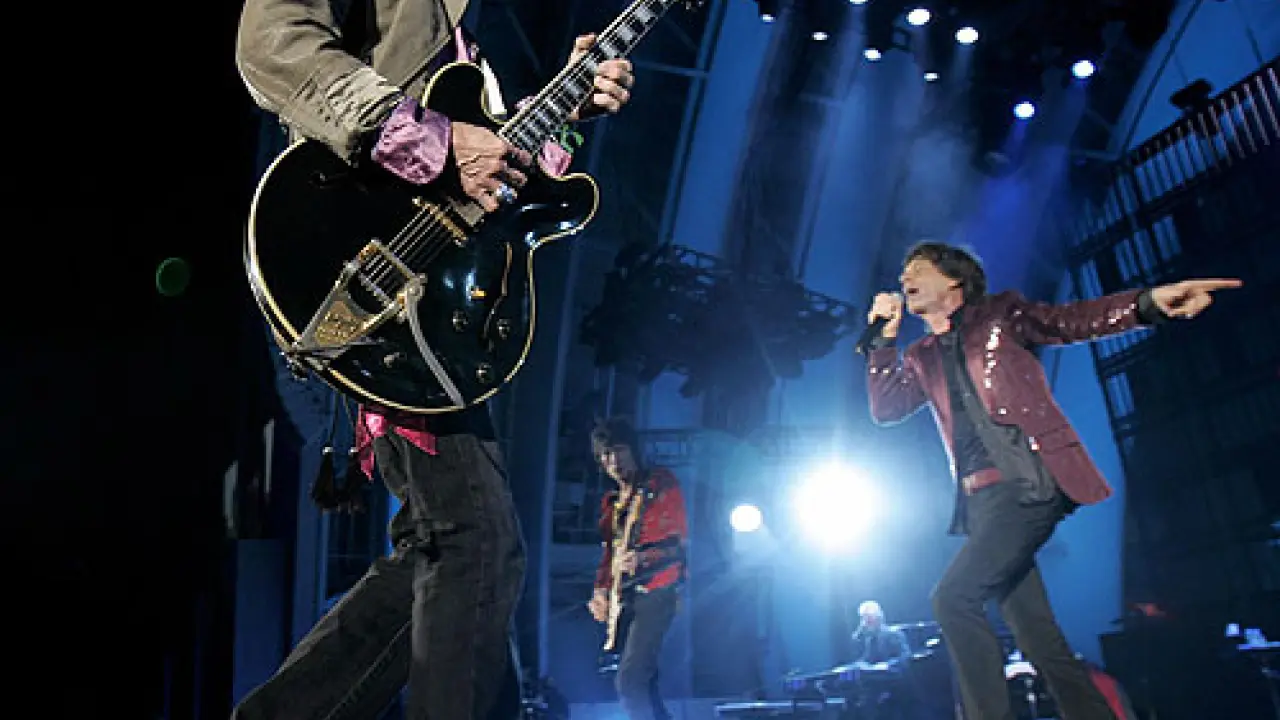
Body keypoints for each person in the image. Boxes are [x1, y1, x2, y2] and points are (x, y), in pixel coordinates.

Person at [231, 0, 636, 718]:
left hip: (427, 302)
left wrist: (568, 109)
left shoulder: (460, 37)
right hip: (371, 270)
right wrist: (437, 143)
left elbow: (496, 173)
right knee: (473, 539)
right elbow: (271, 42)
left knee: (441, 543)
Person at [862, 241, 1241, 720]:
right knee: (1037, 636)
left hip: (1026, 481)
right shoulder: (922, 355)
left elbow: (1071, 321)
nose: (905, 279)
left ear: (954, 279)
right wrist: (882, 341)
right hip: (980, 503)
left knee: (953, 598)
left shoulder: (1001, 315)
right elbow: (886, 408)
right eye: (903, 272)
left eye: (917, 269)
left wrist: (1147, 303)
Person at [586, 417, 688, 720]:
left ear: (633, 450)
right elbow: (609, 554)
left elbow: (679, 541)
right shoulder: (611, 503)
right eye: (606, 455)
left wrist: (644, 557)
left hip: (658, 588)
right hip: (626, 595)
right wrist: (600, 591)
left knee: (630, 681)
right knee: (645, 683)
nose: (613, 461)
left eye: (619, 450)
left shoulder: (659, 483)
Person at [847, 601, 911, 720]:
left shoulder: (893, 634)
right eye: (864, 617)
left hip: (894, 687)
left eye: (869, 616)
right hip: (873, 688)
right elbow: (866, 659)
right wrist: (859, 665)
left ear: (879, 616)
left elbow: (905, 657)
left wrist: (886, 666)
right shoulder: (867, 640)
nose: (866, 621)